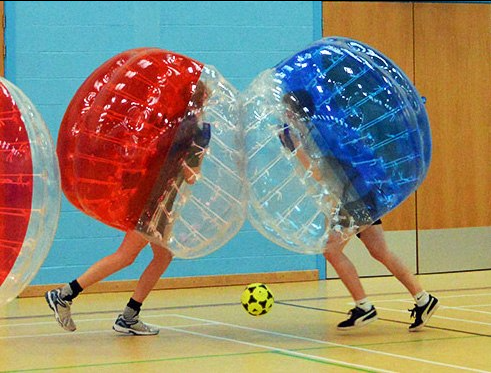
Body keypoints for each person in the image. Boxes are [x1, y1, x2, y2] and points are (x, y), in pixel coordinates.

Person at [45, 81, 211, 336]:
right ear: (203, 99)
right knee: (126, 255)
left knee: (162, 256)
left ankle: (129, 316)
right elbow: (189, 176)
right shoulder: (193, 130)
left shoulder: (172, 124)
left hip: (155, 200)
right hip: (153, 202)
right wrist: (195, 157)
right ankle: (65, 295)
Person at [279, 89, 439, 332]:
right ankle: (423, 299)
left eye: (287, 109)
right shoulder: (317, 128)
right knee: (380, 251)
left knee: (331, 250)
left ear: (297, 111)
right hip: (361, 194)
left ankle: (364, 307)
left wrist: (295, 149)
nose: (285, 114)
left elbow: (320, 172)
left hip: (356, 197)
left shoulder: (315, 135)